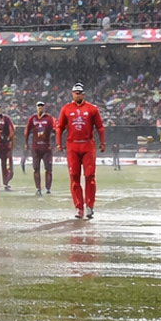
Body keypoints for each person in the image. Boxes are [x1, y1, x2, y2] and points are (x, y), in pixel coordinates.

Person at [56, 82, 106, 219]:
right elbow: (60, 127)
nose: (77, 95)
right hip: (72, 146)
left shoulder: (92, 109)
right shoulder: (66, 109)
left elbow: (100, 127)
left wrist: (102, 142)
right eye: (75, 93)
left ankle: (90, 206)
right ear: (72, 94)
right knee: (74, 176)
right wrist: (58, 144)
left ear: (83, 94)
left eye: (80, 93)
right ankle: (79, 207)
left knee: (90, 176)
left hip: (88, 145)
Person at [23, 101, 56, 195]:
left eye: (41, 106)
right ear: (36, 107)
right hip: (36, 148)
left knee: (48, 169)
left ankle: (48, 188)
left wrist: (56, 143)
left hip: (46, 148)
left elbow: (55, 130)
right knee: (36, 168)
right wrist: (26, 144)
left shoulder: (49, 118)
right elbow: (27, 131)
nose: (40, 107)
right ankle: (38, 188)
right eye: (38, 106)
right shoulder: (32, 118)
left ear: (44, 107)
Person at [0, 110, 15, 191]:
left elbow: (12, 130)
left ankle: (6, 183)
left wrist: (10, 140)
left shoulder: (6, 119)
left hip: (4, 146)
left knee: (5, 165)